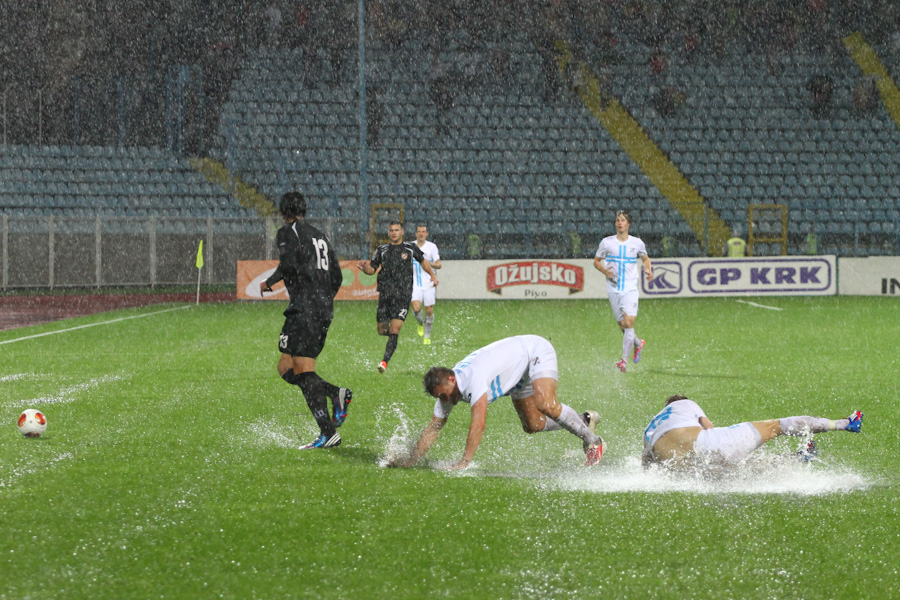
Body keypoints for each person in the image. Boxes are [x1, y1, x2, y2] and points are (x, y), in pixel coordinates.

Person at [389, 335, 607, 470]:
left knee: (546, 404)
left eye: (445, 395)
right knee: (533, 425)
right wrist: (412, 460)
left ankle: (594, 441)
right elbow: (434, 428)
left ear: (451, 379)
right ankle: (583, 420)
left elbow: (478, 423)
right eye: (441, 398)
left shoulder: (472, 379)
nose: (446, 401)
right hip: (516, 377)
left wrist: (464, 462)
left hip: (534, 352)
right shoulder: (448, 389)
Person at [261, 191, 352, 450]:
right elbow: (337, 276)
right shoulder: (320, 236)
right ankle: (335, 394)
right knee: (285, 367)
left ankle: (328, 432)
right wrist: (323, 300)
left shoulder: (287, 232)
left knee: (303, 368)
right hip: (316, 310)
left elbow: (289, 265)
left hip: (304, 310)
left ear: (283, 211)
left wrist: (271, 281)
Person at [642, 395, 864, 468]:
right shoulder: (685, 404)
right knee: (776, 426)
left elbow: (647, 463)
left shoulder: (649, 429)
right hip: (707, 445)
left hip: (687, 467)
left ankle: (795, 460)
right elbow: (709, 429)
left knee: (739, 469)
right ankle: (845, 423)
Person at [357, 221, 438, 373]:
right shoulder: (381, 250)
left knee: (395, 329)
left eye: (396, 230)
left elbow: (424, 262)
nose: (394, 232)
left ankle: (384, 362)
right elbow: (372, 270)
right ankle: (392, 340)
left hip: (403, 295)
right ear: (388, 233)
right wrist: (364, 268)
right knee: (382, 330)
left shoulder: (410, 248)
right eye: (391, 230)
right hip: (385, 295)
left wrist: (432, 275)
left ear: (402, 232)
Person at [593, 210, 653, 372]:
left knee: (629, 323)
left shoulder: (637, 243)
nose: (620, 222)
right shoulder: (607, 242)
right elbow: (597, 261)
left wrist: (648, 270)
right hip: (613, 288)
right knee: (623, 326)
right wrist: (605, 271)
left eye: (623, 220)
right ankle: (638, 344)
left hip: (630, 288)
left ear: (628, 224)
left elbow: (645, 258)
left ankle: (623, 361)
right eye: (618, 220)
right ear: (615, 224)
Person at [410, 224, 441, 345]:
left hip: (428, 283)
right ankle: (420, 323)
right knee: (416, 308)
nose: (421, 233)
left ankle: (427, 335)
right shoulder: (410, 246)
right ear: (416, 234)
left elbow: (439, 264)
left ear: (427, 234)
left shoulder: (432, 247)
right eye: (419, 231)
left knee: (429, 311)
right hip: (414, 284)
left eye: (423, 231)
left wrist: (429, 264)